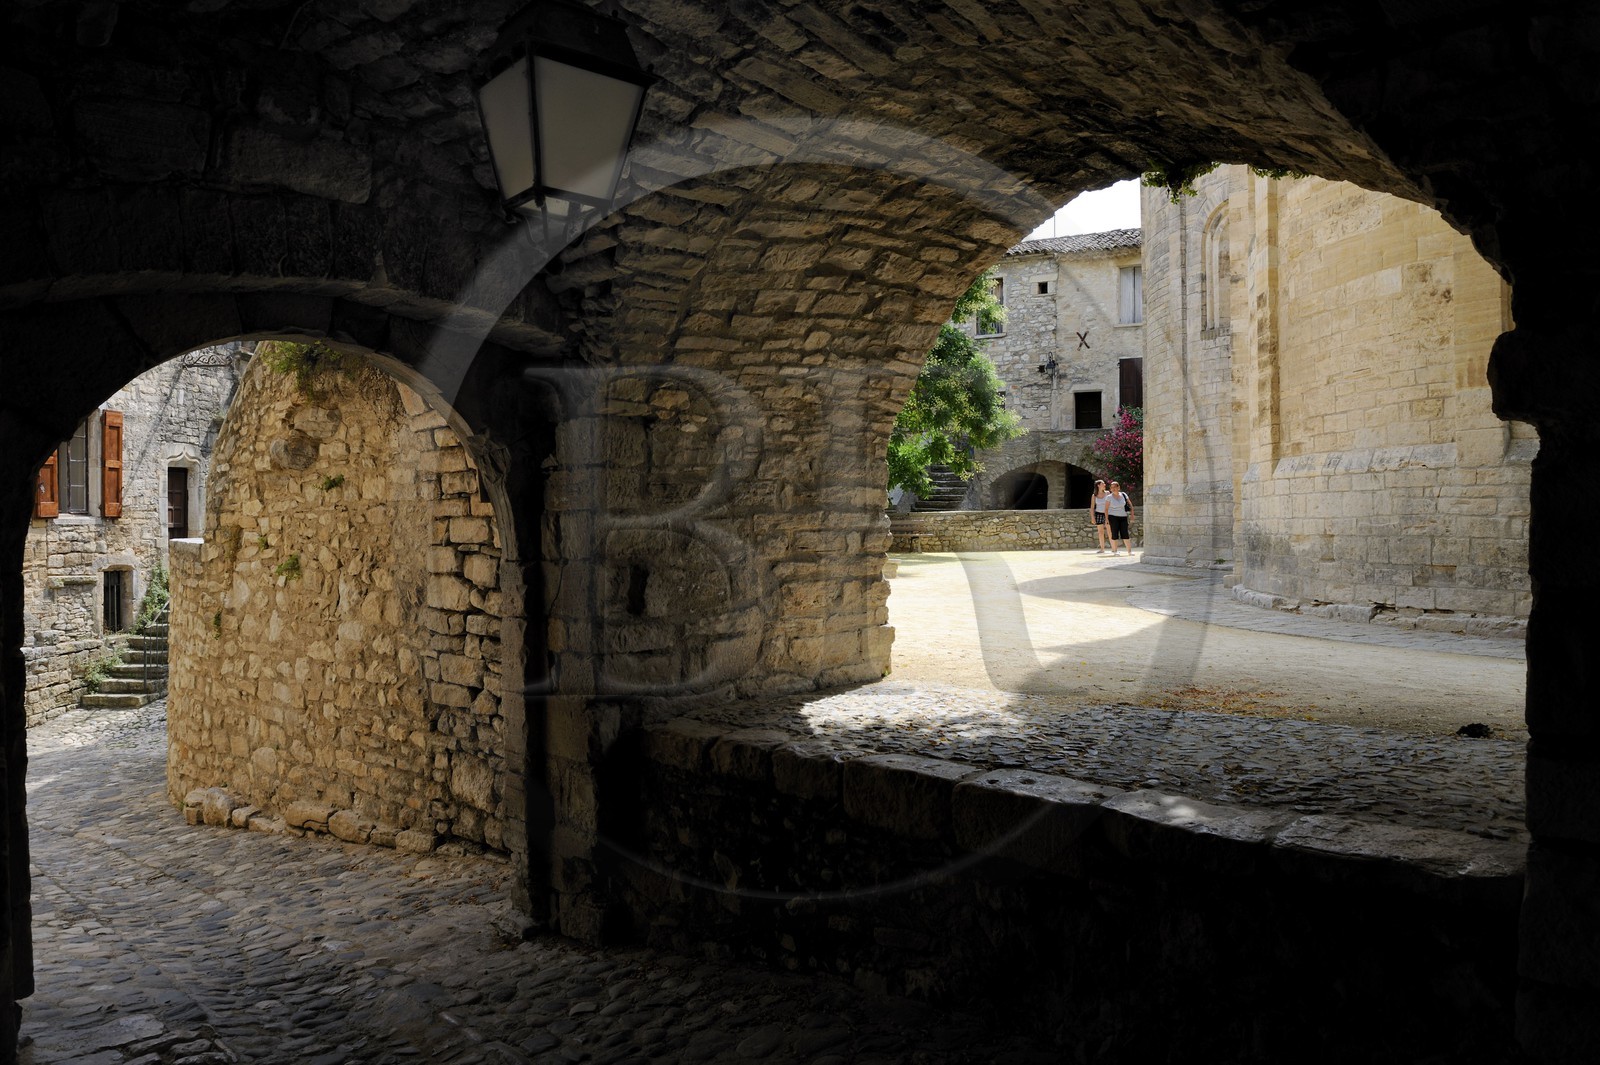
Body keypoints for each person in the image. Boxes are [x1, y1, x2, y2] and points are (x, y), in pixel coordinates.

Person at [1105, 481, 1134, 555]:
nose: (1113, 489)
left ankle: (1129, 551)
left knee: (1125, 533)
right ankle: (1115, 551)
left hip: (1123, 516)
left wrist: (1132, 516)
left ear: (1119, 487)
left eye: (1115, 487)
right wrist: (1106, 519)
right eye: (1112, 487)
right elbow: (1106, 509)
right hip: (1113, 517)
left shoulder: (1124, 495)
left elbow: (1130, 505)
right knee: (1114, 533)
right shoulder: (1109, 497)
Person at [1089, 479, 1111, 553]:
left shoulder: (1107, 493)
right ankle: (1102, 549)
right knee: (1100, 532)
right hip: (1098, 514)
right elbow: (1092, 507)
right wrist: (1092, 517)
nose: (1104, 485)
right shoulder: (1094, 496)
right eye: (1103, 484)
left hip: (1107, 514)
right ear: (1098, 485)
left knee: (1109, 531)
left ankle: (1114, 548)